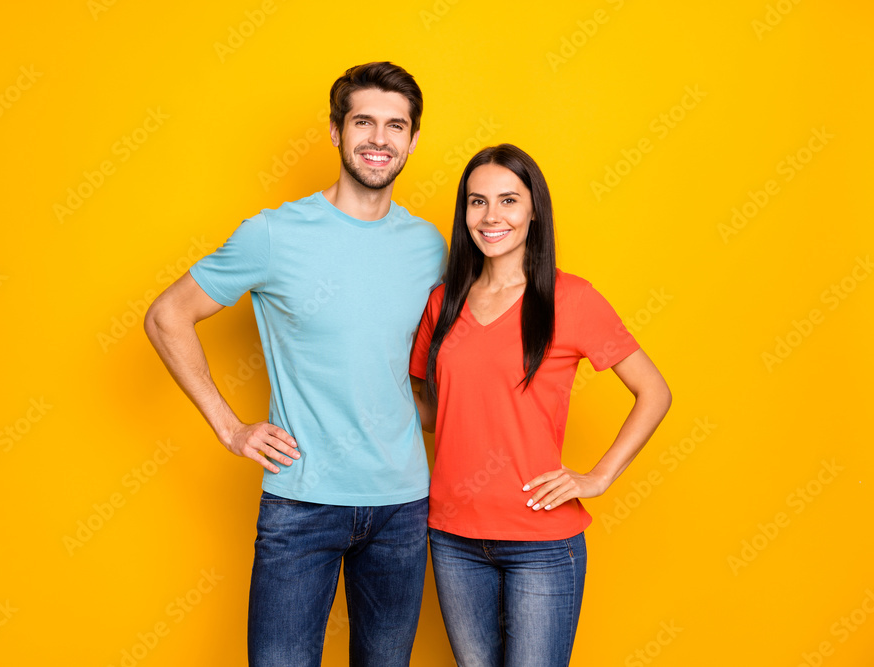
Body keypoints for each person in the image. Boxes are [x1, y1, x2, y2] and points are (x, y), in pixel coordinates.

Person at [143, 62, 446, 666]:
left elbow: (430, 356)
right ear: (336, 131)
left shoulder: (430, 245)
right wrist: (231, 428)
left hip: (403, 508)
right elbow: (166, 316)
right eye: (363, 122)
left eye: (395, 126)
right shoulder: (275, 235)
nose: (379, 139)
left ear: (413, 140)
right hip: (302, 503)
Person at [409, 143, 671, 667]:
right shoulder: (444, 301)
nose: (491, 216)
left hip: (541, 543)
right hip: (453, 536)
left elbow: (655, 392)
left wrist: (597, 478)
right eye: (477, 201)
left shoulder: (570, 299)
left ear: (534, 210)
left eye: (508, 200)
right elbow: (431, 410)